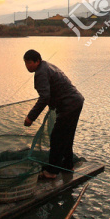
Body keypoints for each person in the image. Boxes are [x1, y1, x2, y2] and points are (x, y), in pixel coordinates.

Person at [22, 49, 84, 179]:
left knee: (56, 137)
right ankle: (67, 165)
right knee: (66, 136)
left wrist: (30, 117)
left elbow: (44, 97)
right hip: (75, 102)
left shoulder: (41, 73)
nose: (27, 66)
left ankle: (52, 172)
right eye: (25, 63)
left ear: (37, 61)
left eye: (29, 63)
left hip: (69, 105)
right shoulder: (46, 66)